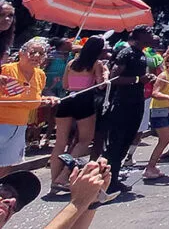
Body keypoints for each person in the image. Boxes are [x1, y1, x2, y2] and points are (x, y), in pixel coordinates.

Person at [96, 26, 155, 203]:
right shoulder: (126, 53)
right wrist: (138, 80)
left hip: (136, 103)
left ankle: (113, 179)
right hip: (122, 104)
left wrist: (145, 78)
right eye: (149, 34)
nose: (152, 36)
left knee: (126, 143)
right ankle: (102, 181)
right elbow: (114, 78)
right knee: (115, 144)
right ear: (139, 36)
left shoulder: (142, 55)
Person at [49, 37, 107, 194]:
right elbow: (101, 85)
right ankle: (63, 176)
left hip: (68, 99)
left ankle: (55, 180)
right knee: (85, 140)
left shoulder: (71, 63)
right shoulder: (96, 63)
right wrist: (105, 75)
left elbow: (65, 85)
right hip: (84, 100)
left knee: (60, 142)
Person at [0, 38, 58, 176]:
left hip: (20, 125)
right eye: (32, 52)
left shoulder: (40, 75)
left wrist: (46, 99)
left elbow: (34, 98)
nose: (37, 56)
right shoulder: (6, 70)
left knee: (9, 163)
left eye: (41, 53)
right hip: (1, 122)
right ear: (21, 53)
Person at [143, 48, 169, 179]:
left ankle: (152, 166)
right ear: (167, 62)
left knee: (166, 139)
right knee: (165, 139)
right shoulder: (163, 76)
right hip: (160, 110)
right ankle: (150, 167)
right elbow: (155, 93)